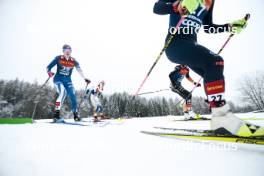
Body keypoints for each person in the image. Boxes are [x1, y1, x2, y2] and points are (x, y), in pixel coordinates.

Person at [153, 0, 264, 137]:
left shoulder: (210, 2)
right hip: (175, 46)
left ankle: (220, 117)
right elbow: (157, 8)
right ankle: (222, 118)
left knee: (212, 70)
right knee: (215, 61)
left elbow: (208, 27)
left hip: (191, 46)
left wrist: (229, 27)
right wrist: (176, 6)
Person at [47, 44, 91, 122]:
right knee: (63, 93)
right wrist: (49, 72)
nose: (67, 52)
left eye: (69, 51)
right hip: (58, 79)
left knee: (72, 95)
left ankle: (75, 115)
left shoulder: (73, 61)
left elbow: (79, 70)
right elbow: (48, 67)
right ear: (63, 51)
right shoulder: (58, 58)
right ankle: (56, 115)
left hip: (68, 81)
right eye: (66, 51)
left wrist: (85, 78)